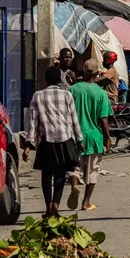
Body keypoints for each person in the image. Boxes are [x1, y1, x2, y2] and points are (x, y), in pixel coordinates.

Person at [24, 66, 83, 218]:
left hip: (46, 141)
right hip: (65, 139)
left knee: (46, 174)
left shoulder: (38, 96)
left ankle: (48, 207)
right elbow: (73, 119)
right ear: (60, 80)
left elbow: (32, 122)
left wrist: (27, 144)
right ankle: (56, 208)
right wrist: (79, 139)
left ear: (46, 79)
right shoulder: (67, 96)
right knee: (60, 174)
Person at [67, 59, 113, 212]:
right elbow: (103, 119)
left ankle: (74, 185)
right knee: (92, 170)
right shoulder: (101, 93)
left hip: (74, 136)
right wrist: (108, 138)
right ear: (97, 73)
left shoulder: (72, 90)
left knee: (75, 166)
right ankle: (86, 202)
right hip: (94, 137)